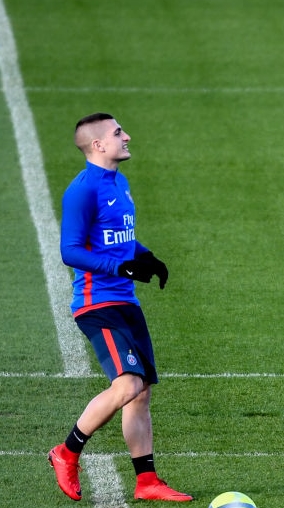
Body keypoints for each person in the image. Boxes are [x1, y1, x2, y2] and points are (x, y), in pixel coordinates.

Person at [48, 113, 192, 501]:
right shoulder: (82, 190)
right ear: (98, 145)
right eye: (117, 133)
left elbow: (121, 237)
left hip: (126, 300)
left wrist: (147, 256)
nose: (126, 136)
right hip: (97, 304)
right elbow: (70, 250)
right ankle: (66, 452)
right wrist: (120, 267)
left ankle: (147, 482)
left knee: (140, 392)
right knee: (127, 384)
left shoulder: (119, 182)